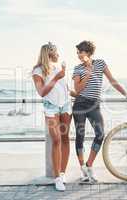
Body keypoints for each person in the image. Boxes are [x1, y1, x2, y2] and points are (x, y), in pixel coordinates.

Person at [72, 40, 127, 184]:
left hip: (94, 105)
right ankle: (82, 169)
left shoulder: (100, 63)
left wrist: (126, 95)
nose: (78, 55)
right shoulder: (77, 68)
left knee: (100, 134)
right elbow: (78, 90)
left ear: (88, 52)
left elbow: (112, 81)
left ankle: (89, 165)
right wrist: (88, 73)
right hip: (80, 105)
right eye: (77, 53)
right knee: (80, 135)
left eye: (80, 52)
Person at [32, 42, 74, 191]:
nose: (58, 55)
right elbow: (42, 92)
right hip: (51, 107)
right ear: (50, 53)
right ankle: (57, 178)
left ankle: (62, 173)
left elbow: (65, 89)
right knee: (56, 140)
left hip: (66, 105)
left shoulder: (58, 68)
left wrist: (81, 94)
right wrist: (56, 77)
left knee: (65, 138)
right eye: (56, 52)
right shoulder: (38, 70)